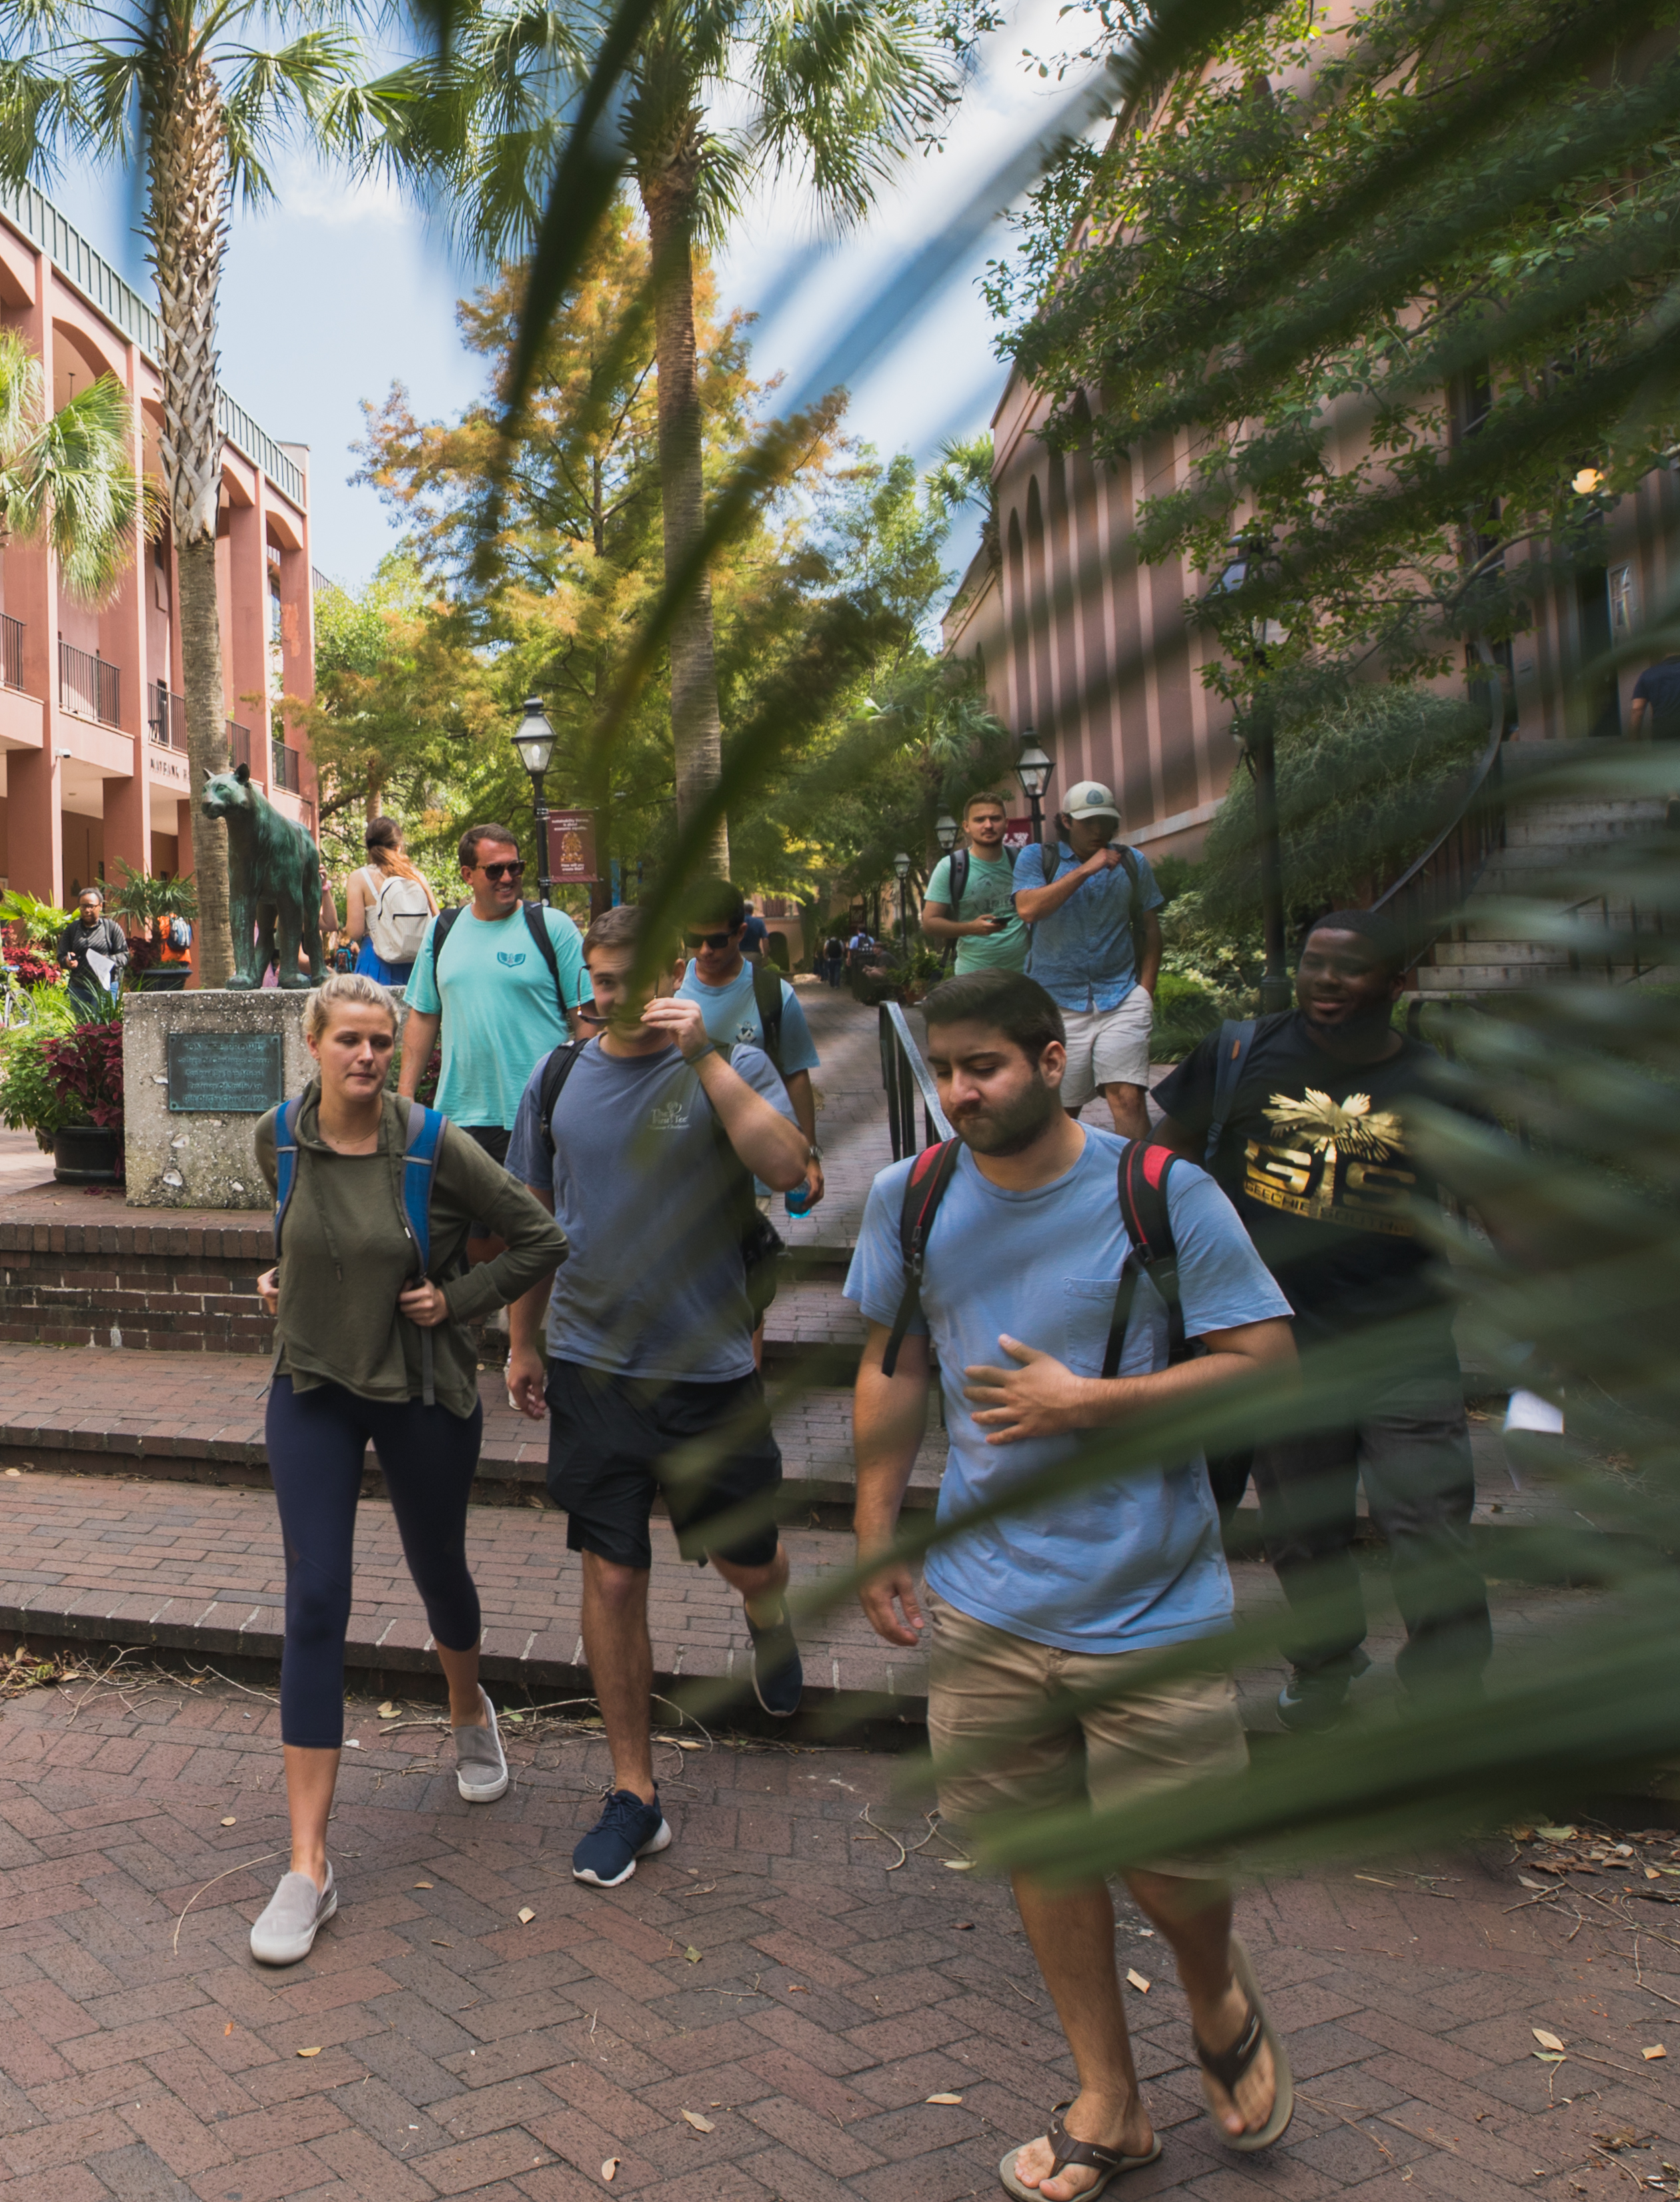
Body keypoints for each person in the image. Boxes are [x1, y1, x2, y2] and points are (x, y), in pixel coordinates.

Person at [846, 971, 1299, 2200]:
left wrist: (1091, 1403)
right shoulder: (915, 1197)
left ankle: (1213, 1986)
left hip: (1150, 1598)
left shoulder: (1158, 1194)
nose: (956, 1093)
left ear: (1053, 1060)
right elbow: (894, 1363)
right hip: (989, 1604)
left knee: (1171, 1865)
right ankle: (1110, 2098)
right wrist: (878, 1524)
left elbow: (1265, 1362)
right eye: (941, 1070)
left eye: (981, 1067)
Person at [236, 973, 571, 1967]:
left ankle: (468, 1706)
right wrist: (281, 1281)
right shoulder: (277, 1138)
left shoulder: (429, 1142)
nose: (367, 1057)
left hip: (422, 1390)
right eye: (348, 1039)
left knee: (437, 1572)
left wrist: (457, 1302)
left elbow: (540, 1237)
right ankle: (307, 1867)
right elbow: (301, 1236)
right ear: (314, 1043)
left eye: (380, 1040)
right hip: (311, 1389)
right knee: (314, 1601)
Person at [506, 908, 820, 1890]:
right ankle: (633, 1793)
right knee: (610, 1576)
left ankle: (769, 1618)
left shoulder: (728, 1064)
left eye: (625, 981)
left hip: (709, 1371)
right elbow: (536, 1216)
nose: (608, 999)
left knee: (746, 1558)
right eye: (596, 981)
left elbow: (789, 1169)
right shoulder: (557, 1077)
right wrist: (521, 1336)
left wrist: (708, 1059)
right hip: (592, 1368)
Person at [1151, 908, 1492, 1732]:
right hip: (1278, 1341)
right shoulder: (1240, 1053)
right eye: (1313, 964)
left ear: (1395, 984)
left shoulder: (1435, 1085)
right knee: (1305, 1530)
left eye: (1350, 968)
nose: (1325, 982)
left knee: (1429, 1524)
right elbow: (1163, 1162)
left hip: (1399, 1338)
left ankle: (1449, 1696)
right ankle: (1325, 1662)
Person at [397, 822, 593, 1176]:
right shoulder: (442, 931)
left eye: (514, 867)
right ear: (467, 875)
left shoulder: (554, 927)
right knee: (470, 1230)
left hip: (538, 1110)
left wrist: (585, 1095)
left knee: (534, 1228)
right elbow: (424, 1016)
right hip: (460, 1116)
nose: (507, 877)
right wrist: (405, 1098)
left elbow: (586, 1019)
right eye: (495, 870)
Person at [1012, 781, 1168, 1135]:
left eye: (1106, 821)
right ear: (1066, 821)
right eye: (1088, 822)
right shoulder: (1037, 857)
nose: (1099, 830)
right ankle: (1059, 1185)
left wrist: (1146, 990)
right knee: (1063, 1112)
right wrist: (1086, 869)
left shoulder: (1132, 862)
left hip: (1121, 998)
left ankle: (1139, 1184)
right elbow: (1029, 909)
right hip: (1058, 1004)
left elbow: (1150, 928)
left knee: (1127, 1098)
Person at [675, 889, 824, 1200]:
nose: (705, 950)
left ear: (741, 932)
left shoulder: (774, 994)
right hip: (681, 1170)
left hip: (754, 1170)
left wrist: (809, 1155)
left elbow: (795, 1075)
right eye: (694, 938)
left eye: (717, 940)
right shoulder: (667, 990)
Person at [922, 792, 1030, 980]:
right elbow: (930, 923)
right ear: (967, 827)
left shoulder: (1023, 860)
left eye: (995, 818)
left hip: (1024, 977)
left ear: (1006, 823)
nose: (988, 825)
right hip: (974, 980)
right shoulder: (950, 867)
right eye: (980, 820)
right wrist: (972, 928)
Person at [335, 817, 437, 985]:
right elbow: (436, 917)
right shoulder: (416, 875)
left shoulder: (360, 877)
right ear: (398, 847)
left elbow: (355, 931)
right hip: (416, 963)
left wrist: (343, 936)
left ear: (369, 847)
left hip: (375, 959)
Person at [59, 885, 129, 1020]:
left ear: (100, 906)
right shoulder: (72, 930)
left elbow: (125, 956)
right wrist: (67, 962)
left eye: (91, 906)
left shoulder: (111, 928)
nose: (87, 910)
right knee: (83, 1029)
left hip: (105, 987)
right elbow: (61, 955)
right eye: (83, 906)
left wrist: (107, 960)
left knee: (100, 1025)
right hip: (79, 987)